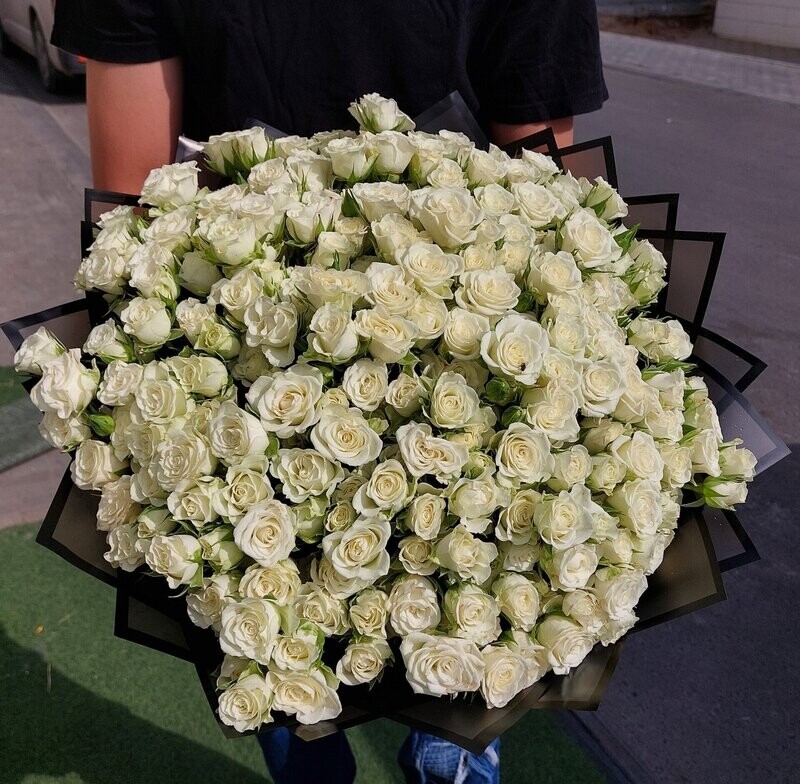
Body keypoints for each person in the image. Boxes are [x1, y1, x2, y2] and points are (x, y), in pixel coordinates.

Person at [51, 3, 607, 782]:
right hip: (438, 350)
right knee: (432, 638)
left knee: (274, 623)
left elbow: (133, 196)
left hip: (263, 360)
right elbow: (544, 158)